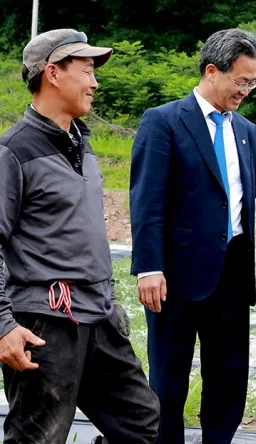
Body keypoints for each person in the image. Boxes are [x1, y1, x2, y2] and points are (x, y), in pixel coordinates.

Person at [0, 29, 159, 443]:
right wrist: (2, 325)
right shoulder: (14, 151)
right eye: (86, 70)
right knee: (38, 437)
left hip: (98, 315)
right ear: (52, 73)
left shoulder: (81, 144)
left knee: (140, 424)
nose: (95, 82)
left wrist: (108, 296)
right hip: (45, 321)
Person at [129, 28, 256, 443]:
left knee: (229, 378)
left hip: (232, 273)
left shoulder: (246, 131)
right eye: (241, 80)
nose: (247, 90)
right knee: (168, 380)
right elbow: (147, 200)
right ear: (212, 71)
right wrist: (148, 267)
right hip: (175, 276)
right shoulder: (163, 121)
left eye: (253, 82)